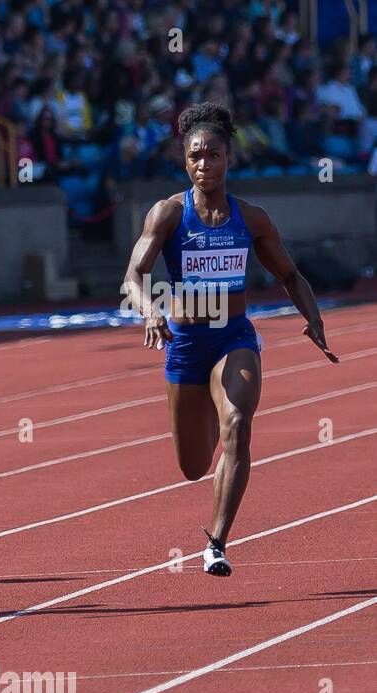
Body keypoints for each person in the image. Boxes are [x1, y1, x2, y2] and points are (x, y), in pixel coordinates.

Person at [122, 103, 337, 576]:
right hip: (185, 343)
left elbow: (289, 274)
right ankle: (217, 460)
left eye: (213, 155)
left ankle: (216, 542)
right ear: (185, 161)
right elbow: (134, 274)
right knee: (193, 466)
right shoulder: (168, 214)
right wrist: (150, 308)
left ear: (228, 159)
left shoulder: (253, 219)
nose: (204, 165)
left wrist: (313, 318)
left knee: (237, 422)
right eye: (196, 156)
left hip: (233, 337)